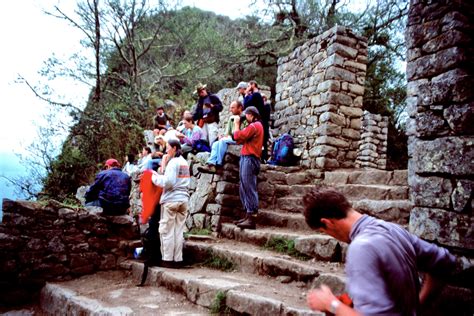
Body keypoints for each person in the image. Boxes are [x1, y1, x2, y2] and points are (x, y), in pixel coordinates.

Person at [303, 188, 458, 316]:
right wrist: (418, 305)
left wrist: (332, 304)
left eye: (324, 231)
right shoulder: (393, 229)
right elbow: (444, 262)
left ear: (327, 222)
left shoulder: (361, 248)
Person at [151, 139, 191, 268]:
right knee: (178, 231)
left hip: (171, 200)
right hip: (183, 199)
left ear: (174, 148)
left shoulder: (173, 163)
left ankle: (167, 260)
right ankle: (178, 259)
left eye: (167, 147)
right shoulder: (184, 162)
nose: (166, 150)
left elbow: (168, 182)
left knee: (166, 231)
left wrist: (154, 177)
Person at [231, 106, 264, 230]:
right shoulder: (255, 126)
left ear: (251, 115)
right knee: (244, 186)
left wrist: (236, 124)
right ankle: (247, 215)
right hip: (248, 157)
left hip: (250, 158)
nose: (246, 117)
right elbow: (240, 139)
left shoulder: (254, 126)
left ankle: (251, 218)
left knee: (248, 186)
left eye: (247, 115)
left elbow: (237, 136)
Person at [198, 100, 247, 173]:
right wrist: (222, 135)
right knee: (215, 143)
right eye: (230, 108)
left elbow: (245, 132)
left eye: (233, 108)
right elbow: (228, 133)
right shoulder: (231, 118)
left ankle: (218, 164)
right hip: (232, 138)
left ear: (240, 108)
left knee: (223, 141)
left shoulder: (245, 117)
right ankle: (211, 164)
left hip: (240, 139)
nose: (230, 110)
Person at [244, 80, 270, 162]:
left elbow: (246, 105)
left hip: (260, 122)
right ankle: (263, 158)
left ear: (253, 85)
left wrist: (246, 94)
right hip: (263, 123)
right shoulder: (261, 100)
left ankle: (261, 158)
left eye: (249, 86)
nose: (247, 88)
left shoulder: (255, 95)